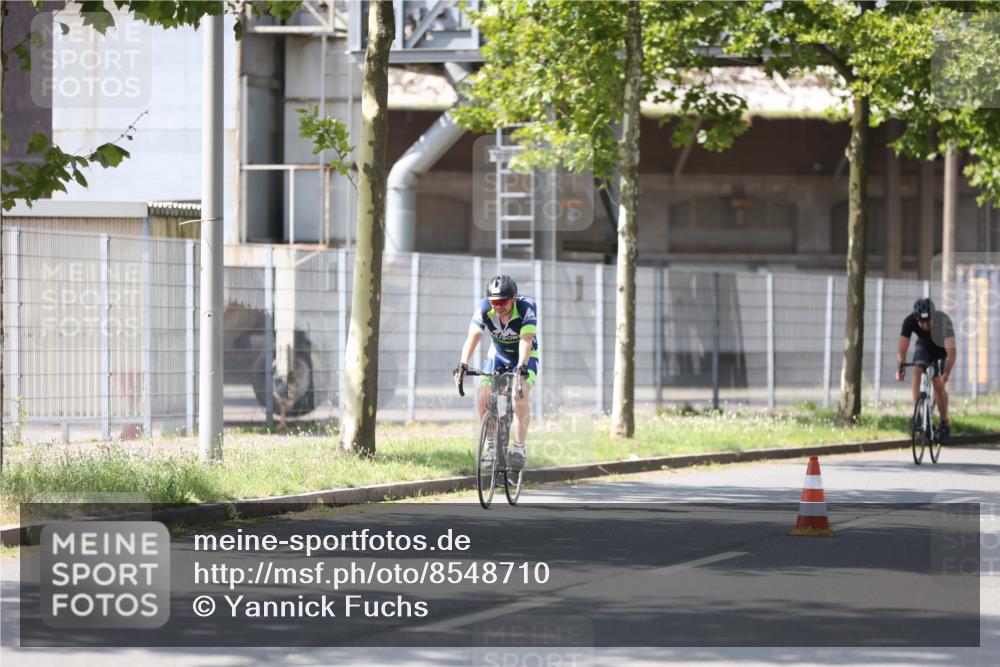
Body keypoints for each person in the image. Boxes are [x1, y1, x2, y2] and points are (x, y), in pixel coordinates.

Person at [453, 275, 539, 470]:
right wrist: (463, 364)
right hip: (497, 355)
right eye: (494, 302)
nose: (497, 306)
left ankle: (518, 449)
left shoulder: (527, 307)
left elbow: (526, 339)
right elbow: (473, 336)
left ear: (514, 298)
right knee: (483, 398)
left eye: (502, 302)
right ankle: (491, 449)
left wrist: (522, 365)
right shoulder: (485, 308)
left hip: (524, 356)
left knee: (519, 394)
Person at [896, 297, 956, 443]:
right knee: (918, 368)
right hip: (923, 347)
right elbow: (902, 349)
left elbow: (951, 352)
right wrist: (900, 367)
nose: (924, 325)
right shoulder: (909, 321)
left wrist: (946, 374)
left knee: (938, 383)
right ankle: (920, 414)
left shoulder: (943, 321)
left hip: (941, 351)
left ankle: (944, 422)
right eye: (921, 322)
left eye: (927, 321)